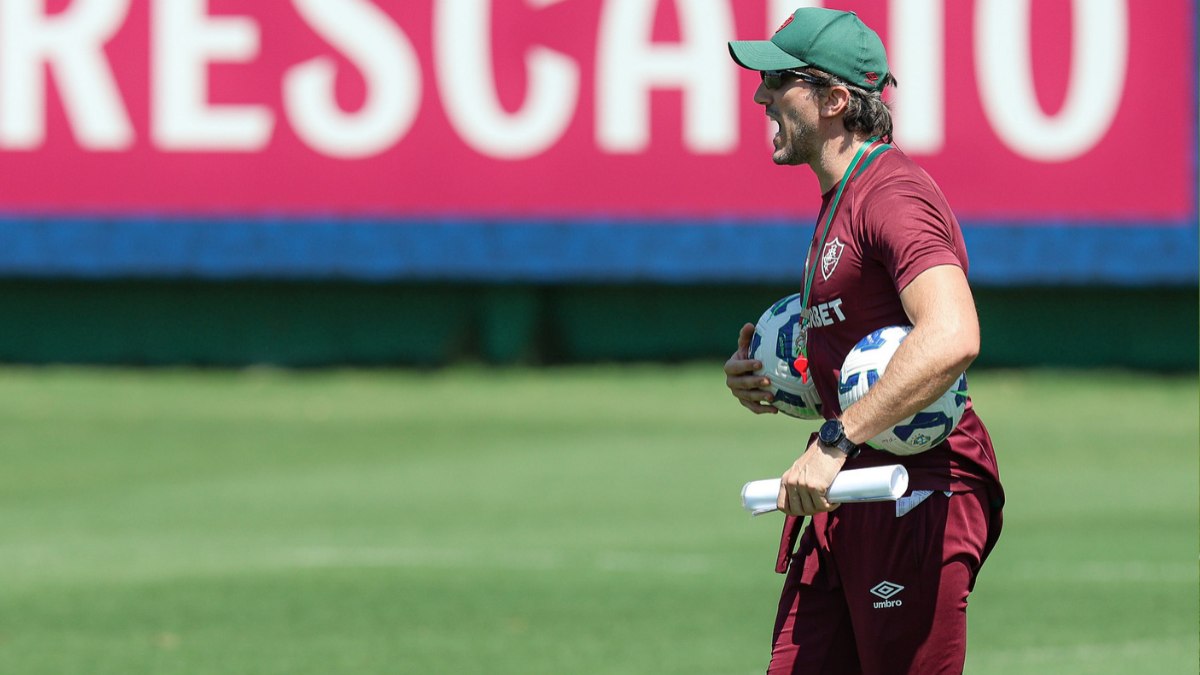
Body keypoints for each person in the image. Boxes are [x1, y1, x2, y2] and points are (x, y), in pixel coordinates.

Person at [722, 7, 1004, 674]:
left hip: (916, 489)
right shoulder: (843, 195)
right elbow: (865, 346)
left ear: (836, 100)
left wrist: (835, 439)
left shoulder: (892, 195)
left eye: (778, 81)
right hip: (848, 492)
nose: (760, 94)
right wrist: (779, 377)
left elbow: (953, 334)